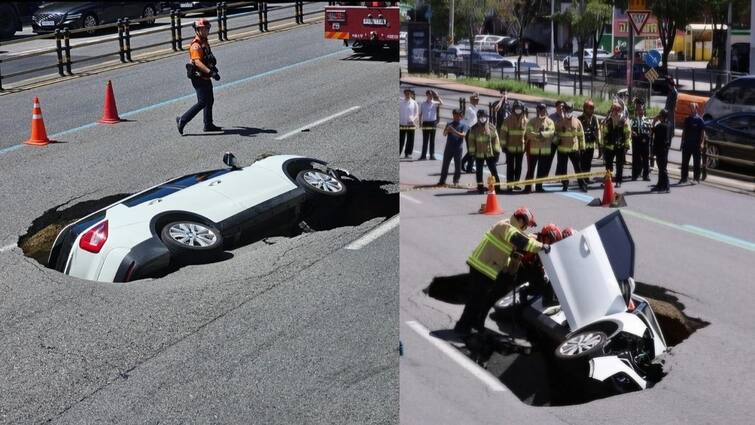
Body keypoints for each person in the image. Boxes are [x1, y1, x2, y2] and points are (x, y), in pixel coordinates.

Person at [455, 207, 549, 335]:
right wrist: (542, 246)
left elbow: (511, 247)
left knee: (480, 299)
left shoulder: (509, 227)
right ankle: (462, 327)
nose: (526, 229)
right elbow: (521, 241)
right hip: (481, 267)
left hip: (487, 268)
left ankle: (474, 324)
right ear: (521, 220)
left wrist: (512, 264)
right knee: (475, 300)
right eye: (526, 225)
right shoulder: (505, 227)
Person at [176, 18, 222, 135]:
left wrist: (212, 68)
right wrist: (210, 72)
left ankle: (208, 124)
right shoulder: (195, 46)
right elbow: (197, 62)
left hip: (205, 76)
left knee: (210, 100)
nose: (207, 31)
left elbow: (207, 58)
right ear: (198, 30)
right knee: (202, 102)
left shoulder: (204, 41)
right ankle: (182, 120)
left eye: (207, 28)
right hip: (198, 77)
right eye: (204, 29)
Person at [467, 109, 502, 193]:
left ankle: (497, 187)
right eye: (481, 117)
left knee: (494, 171)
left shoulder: (491, 127)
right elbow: (471, 141)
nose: (483, 119)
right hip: (478, 154)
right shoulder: (473, 129)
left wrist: (496, 152)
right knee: (479, 172)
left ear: (487, 117)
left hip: (489, 154)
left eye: (484, 117)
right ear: (478, 118)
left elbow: (496, 140)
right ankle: (480, 188)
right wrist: (472, 153)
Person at [523, 103, 555, 193]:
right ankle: (527, 187)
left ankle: (539, 187)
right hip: (534, 150)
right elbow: (528, 133)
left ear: (545, 110)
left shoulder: (550, 122)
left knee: (541, 170)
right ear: (537, 110)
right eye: (539, 109)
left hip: (545, 150)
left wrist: (542, 134)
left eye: (543, 109)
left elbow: (551, 132)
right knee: (531, 170)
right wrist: (538, 136)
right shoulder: (532, 121)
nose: (541, 111)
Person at [555, 103, 587, 192]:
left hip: (574, 149)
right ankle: (565, 184)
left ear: (572, 111)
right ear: (564, 110)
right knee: (563, 169)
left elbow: (581, 135)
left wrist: (582, 147)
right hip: (562, 149)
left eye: (569, 110)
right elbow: (555, 134)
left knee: (578, 168)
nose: (567, 112)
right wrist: (556, 139)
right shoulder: (559, 122)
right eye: (566, 110)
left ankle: (582, 184)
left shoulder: (577, 122)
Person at [500, 101, 528, 191]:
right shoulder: (508, 120)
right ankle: (509, 185)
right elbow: (503, 133)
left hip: (521, 148)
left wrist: (526, 147)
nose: (518, 110)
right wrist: (503, 146)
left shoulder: (525, 121)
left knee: (519, 167)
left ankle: (516, 183)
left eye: (519, 109)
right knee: (510, 167)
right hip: (510, 148)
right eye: (516, 109)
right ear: (513, 110)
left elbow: (527, 135)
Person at [602, 103, 631, 188]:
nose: (615, 111)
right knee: (608, 165)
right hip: (609, 146)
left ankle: (618, 181)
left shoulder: (624, 120)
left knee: (619, 165)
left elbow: (627, 134)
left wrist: (626, 146)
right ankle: (608, 180)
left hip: (620, 146)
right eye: (614, 109)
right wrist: (603, 144)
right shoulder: (609, 120)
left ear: (620, 110)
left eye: (617, 109)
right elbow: (605, 133)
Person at [437, 109, 469, 186]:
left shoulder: (464, 125)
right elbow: (444, 134)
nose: (456, 117)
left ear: (461, 117)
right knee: (445, 164)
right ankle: (442, 180)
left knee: (457, 165)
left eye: (457, 116)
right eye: (454, 115)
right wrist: (447, 130)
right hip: (449, 147)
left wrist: (453, 131)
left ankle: (456, 180)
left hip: (458, 148)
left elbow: (463, 135)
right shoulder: (449, 124)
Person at [679, 102, 706, 184]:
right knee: (684, 162)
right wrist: (682, 142)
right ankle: (684, 178)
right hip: (687, 143)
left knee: (696, 163)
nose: (691, 109)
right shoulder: (687, 119)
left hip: (696, 144)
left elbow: (702, 133)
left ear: (696, 108)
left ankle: (696, 178)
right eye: (690, 107)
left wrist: (702, 143)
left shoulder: (700, 120)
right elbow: (684, 131)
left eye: (692, 107)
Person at [577, 99, 601, 188]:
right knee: (582, 163)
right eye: (590, 107)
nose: (592, 109)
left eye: (593, 107)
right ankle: (581, 180)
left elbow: (598, 131)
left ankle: (586, 179)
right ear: (585, 108)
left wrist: (599, 145)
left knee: (588, 163)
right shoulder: (580, 119)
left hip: (591, 145)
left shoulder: (595, 118)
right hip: (582, 145)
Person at [630, 99, 652, 181]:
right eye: (638, 109)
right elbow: (630, 129)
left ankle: (646, 175)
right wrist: (632, 132)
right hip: (636, 140)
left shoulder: (647, 120)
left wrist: (648, 137)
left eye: (641, 109)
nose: (640, 111)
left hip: (645, 141)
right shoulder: (633, 120)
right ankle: (635, 175)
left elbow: (650, 130)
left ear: (644, 110)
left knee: (646, 159)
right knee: (635, 158)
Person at [651, 109, 671, 193]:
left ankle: (666, 186)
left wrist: (654, 121)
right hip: (665, 149)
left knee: (662, 168)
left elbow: (652, 130)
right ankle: (660, 184)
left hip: (660, 149)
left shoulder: (660, 126)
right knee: (662, 168)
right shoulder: (669, 125)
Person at [419, 90, 443, 160]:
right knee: (425, 140)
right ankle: (423, 155)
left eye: (431, 95)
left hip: (433, 123)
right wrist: (420, 123)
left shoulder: (435, 103)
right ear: (426, 95)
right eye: (429, 95)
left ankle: (432, 155)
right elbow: (420, 114)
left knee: (432, 140)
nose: (430, 96)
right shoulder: (423, 104)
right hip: (425, 123)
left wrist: (437, 96)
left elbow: (442, 103)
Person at [461, 93, 480, 173]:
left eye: (478, 99)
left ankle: (467, 165)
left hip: (474, 131)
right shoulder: (469, 110)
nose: (477, 100)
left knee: (473, 150)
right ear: (471, 100)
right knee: (472, 150)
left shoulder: (475, 108)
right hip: (469, 131)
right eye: (476, 99)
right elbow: (465, 121)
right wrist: (464, 131)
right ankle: (465, 165)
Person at [546, 100, 565, 174]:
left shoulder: (566, 117)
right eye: (560, 106)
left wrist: (563, 117)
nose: (561, 108)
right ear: (556, 107)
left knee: (561, 160)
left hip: (563, 141)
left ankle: (558, 176)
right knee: (548, 159)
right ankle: (544, 176)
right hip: (553, 141)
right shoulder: (551, 117)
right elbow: (547, 128)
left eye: (563, 106)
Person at [399, 88, 419, 158]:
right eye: (406, 93)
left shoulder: (414, 103)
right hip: (402, 123)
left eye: (409, 93)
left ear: (411, 94)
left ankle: (407, 153)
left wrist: (413, 119)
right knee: (400, 139)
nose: (407, 94)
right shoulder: (400, 102)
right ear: (404, 94)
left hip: (411, 124)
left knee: (410, 139)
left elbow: (416, 113)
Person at [665, 77, 678, 141]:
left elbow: (674, 102)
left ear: (670, 85)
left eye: (668, 85)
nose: (668, 86)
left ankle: (671, 133)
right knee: (668, 121)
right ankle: (669, 133)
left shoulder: (674, 92)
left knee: (671, 122)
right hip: (668, 108)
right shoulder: (671, 91)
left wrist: (672, 109)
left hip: (671, 109)